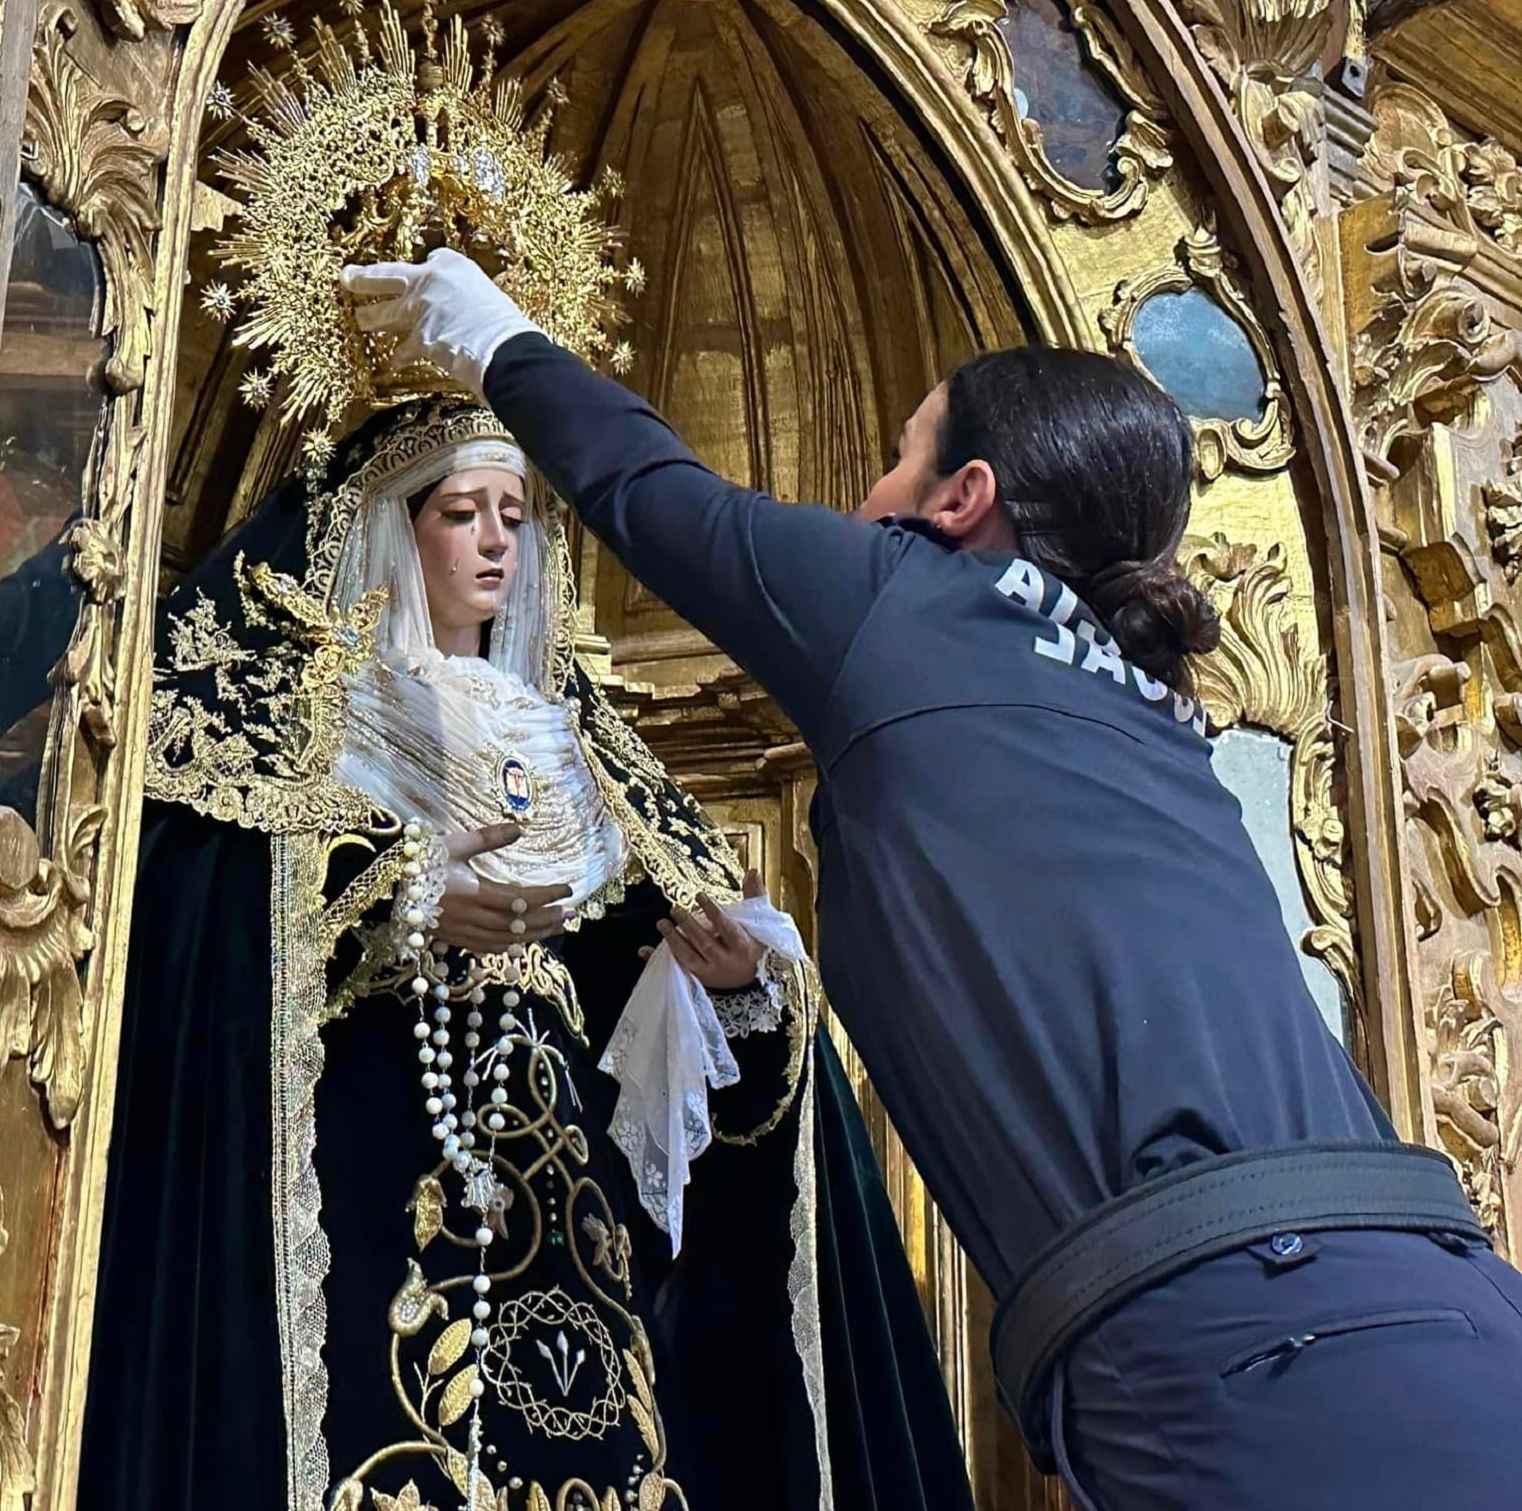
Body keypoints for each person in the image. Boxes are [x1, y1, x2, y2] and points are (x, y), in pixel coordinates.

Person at [340, 247, 1522, 1511]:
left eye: (896, 458)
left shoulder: (907, 597)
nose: (863, 495)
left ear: (960, 498)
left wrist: (491, 333)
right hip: (1456, 1298)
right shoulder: (1154, 713)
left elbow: (650, 491)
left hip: (1241, 1340)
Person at [78, 394, 974, 1511]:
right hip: (372, 1158)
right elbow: (177, 912)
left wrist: (732, 983)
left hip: (567, 1204)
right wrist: (391, 895)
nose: (499, 536)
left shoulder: (575, 745)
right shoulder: (308, 715)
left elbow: (654, 976)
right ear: (387, 526)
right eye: (462, 510)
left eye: (516, 510)